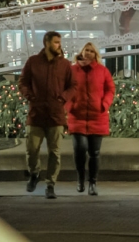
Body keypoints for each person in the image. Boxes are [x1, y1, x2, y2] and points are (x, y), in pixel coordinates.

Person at [19, 30, 76, 199]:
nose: (59, 45)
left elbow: (73, 86)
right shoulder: (33, 62)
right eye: (56, 42)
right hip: (36, 114)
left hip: (56, 114)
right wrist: (30, 96)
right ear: (47, 43)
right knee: (32, 150)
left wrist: (62, 98)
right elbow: (23, 82)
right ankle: (34, 173)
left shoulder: (65, 65)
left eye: (60, 42)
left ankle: (51, 184)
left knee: (54, 152)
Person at [66, 42, 115, 196]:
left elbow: (110, 89)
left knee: (94, 152)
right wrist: (70, 106)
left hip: (97, 116)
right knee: (79, 149)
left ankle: (92, 182)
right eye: (86, 50)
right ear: (81, 52)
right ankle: (80, 178)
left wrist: (104, 104)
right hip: (77, 116)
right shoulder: (72, 70)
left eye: (91, 51)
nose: (88, 53)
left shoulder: (102, 71)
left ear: (95, 55)